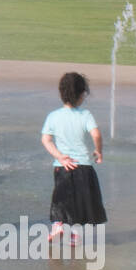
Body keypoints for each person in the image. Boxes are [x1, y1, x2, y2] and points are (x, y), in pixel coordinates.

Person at [40, 71, 106, 247]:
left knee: (60, 197)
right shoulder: (85, 115)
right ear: (82, 94)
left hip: (62, 166)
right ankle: (74, 235)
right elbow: (96, 134)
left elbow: (46, 140)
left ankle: (57, 226)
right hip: (83, 166)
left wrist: (60, 156)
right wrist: (98, 151)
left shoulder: (53, 116)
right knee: (81, 201)